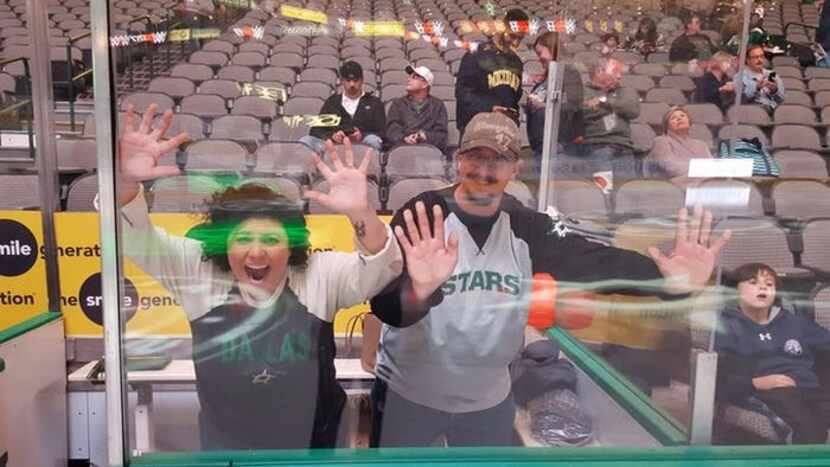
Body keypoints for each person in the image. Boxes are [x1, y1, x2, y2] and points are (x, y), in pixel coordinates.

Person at [369, 111, 731, 448]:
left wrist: (666, 280)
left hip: (487, 396)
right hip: (409, 390)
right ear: (459, 159)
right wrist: (419, 290)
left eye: (498, 160)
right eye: (475, 157)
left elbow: (592, 259)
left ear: (515, 168)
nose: (484, 169)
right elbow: (387, 307)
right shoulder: (421, 213)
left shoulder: (529, 226)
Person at [117, 103, 406, 450]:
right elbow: (131, 236)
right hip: (228, 449)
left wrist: (362, 213)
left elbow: (380, 266)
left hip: (315, 445)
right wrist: (125, 181)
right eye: (243, 239)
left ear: (292, 246)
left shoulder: (317, 274)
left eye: (271, 239)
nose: (256, 252)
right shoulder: (196, 268)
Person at [715, 263, 830, 444]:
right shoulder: (726, 326)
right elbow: (719, 374)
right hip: (764, 392)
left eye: (769, 284)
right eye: (753, 283)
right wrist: (755, 383)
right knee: (807, 424)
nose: (763, 287)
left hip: (810, 389)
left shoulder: (794, 322)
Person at [455, 8, 528, 136]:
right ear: (503, 27)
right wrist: (490, 108)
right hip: (477, 128)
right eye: (512, 36)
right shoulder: (477, 53)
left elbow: (514, 97)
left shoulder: (516, 61)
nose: (515, 43)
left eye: (520, 39)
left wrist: (513, 115)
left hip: (503, 131)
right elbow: (463, 93)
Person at [525, 31, 584, 173]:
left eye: (540, 53)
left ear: (552, 49)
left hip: (558, 148)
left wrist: (544, 107)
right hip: (542, 148)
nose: (539, 58)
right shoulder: (548, 77)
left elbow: (572, 107)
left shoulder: (569, 73)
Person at [300, 61, 386, 154]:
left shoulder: (374, 103)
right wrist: (332, 136)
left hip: (362, 145)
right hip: (334, 145)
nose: (352, 84)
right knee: (306, 140)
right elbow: (316, 130)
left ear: (362, 80)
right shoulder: (332, 102)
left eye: (356, 80)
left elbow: (383, 132)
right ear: (342, 81)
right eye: (348, 81)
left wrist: (362, 135)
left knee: (373, 140)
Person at [580, 57, 641, 181]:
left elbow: (632, 110)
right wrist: (617, 108)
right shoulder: (581, 92)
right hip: (597, 147)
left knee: (626, 194)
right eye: (615, 72)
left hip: (624, 148)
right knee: (604, 192)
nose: (619, 77)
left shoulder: (626, 91)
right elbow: (582, 114)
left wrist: (603, 102)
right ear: (599, 71)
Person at [385, 65, 448, 152]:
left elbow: (441, 136)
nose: (408, 80)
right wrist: (404, 138)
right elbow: (392, 130)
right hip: (402, 151)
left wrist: (424, 136)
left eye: (414, 77)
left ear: (425, 84)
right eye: (409, 77)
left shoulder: (438, 105)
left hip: (428, 153)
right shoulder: (397, 104)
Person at [648, 106, 713, 178]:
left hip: (705, 181)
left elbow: (713, 167)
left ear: (689, 121)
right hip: (673, 184)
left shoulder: (702, 145)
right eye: (673, 118)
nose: (679, 118)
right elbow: (670, 167)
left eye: (682, 116)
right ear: (667, 126)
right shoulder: (661, 141)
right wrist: (703, 169)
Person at [737, 44, 785, 112]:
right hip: (751, 113)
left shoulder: (773, 75)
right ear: (747, 60)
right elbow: (741, 100)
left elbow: (781, 101)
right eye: (755, 57)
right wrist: (756, 88)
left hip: (772, 113)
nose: (759, 60)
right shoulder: (740, 77)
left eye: (762, 56)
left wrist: (774, 91)